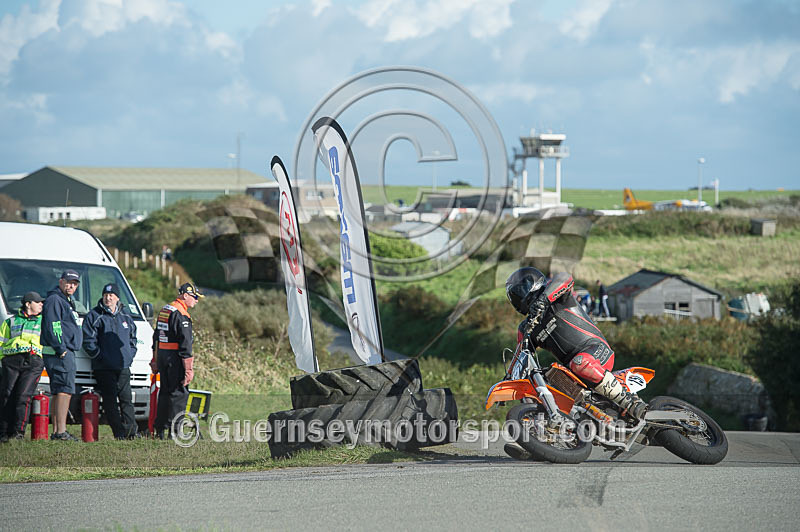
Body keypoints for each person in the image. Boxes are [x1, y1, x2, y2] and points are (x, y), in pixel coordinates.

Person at [505, 268, 646, 420]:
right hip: (571, 372)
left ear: (532, 284)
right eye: (515, 294)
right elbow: (521, 356)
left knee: (580, 362)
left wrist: (543, 300)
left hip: (595, 350)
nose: (518, 297)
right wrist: (508, 381)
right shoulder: (527, 327)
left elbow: (565, 277)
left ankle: (630, 402)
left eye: (519, 291)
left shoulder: (558, 299)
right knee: (545, 378)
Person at [82, 283, 138, 439]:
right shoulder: (94, 315)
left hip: (123, 366)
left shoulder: (126, 316)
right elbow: (88, 341)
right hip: (104, 367)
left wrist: (129, 355)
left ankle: (131, 432)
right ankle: (119, 433)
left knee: (126, 400)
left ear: (117, 297)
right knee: (110, 401)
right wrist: (100, 356)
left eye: (111, 295)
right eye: (105, 295)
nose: (108, 298)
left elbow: (133, 339)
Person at [150, 282, 203, 438]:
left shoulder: (166, 309)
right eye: (194, 297)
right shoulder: (182, 314)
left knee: (165, 392)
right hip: (175, 358)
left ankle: (160, 429)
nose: (196, 301)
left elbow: (156, 337)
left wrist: (155, 359)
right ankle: (175, 431)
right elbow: (186, 344)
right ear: (185, 295)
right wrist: (189, 369)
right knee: (179, 393)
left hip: (162, 356)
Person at [41, 270, 83, 441]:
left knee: (60, 390)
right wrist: (61, 349)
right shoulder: (55, 300)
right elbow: (54, 326)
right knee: (64, 390)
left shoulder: (66, 300)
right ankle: (60, 431)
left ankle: (58, 431)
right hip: (59, 353)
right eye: (69, 282)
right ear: (61, 282)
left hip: (63, 351)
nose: (71, 286)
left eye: (75, 283)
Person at [0, 292, 45, 441]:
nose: (41, 304)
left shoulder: (44, 321)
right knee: (6, 395)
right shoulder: (10, 321)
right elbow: (1, 342)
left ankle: (18, 433)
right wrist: (3, 360)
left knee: (23, 396)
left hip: (33, 362)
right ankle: (3, 432)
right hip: (11, 361)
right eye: (38, 302)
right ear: (28, 304)